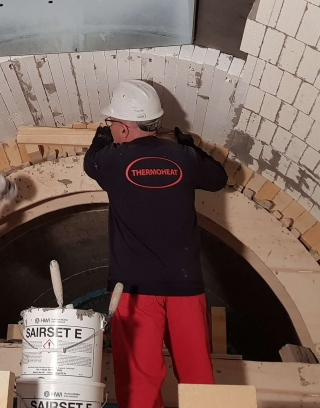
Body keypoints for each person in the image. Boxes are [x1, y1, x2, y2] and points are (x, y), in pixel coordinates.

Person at [83, 80, 228, 408]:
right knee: (199, 379)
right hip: (186, 287)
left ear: (122, 127)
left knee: (139, 384)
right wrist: (192, 147)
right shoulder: (185, 157)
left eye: (112, 124)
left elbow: (90, 162)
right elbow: (218, 179)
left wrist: (101, 137)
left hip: (134, 292)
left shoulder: (111, 161)